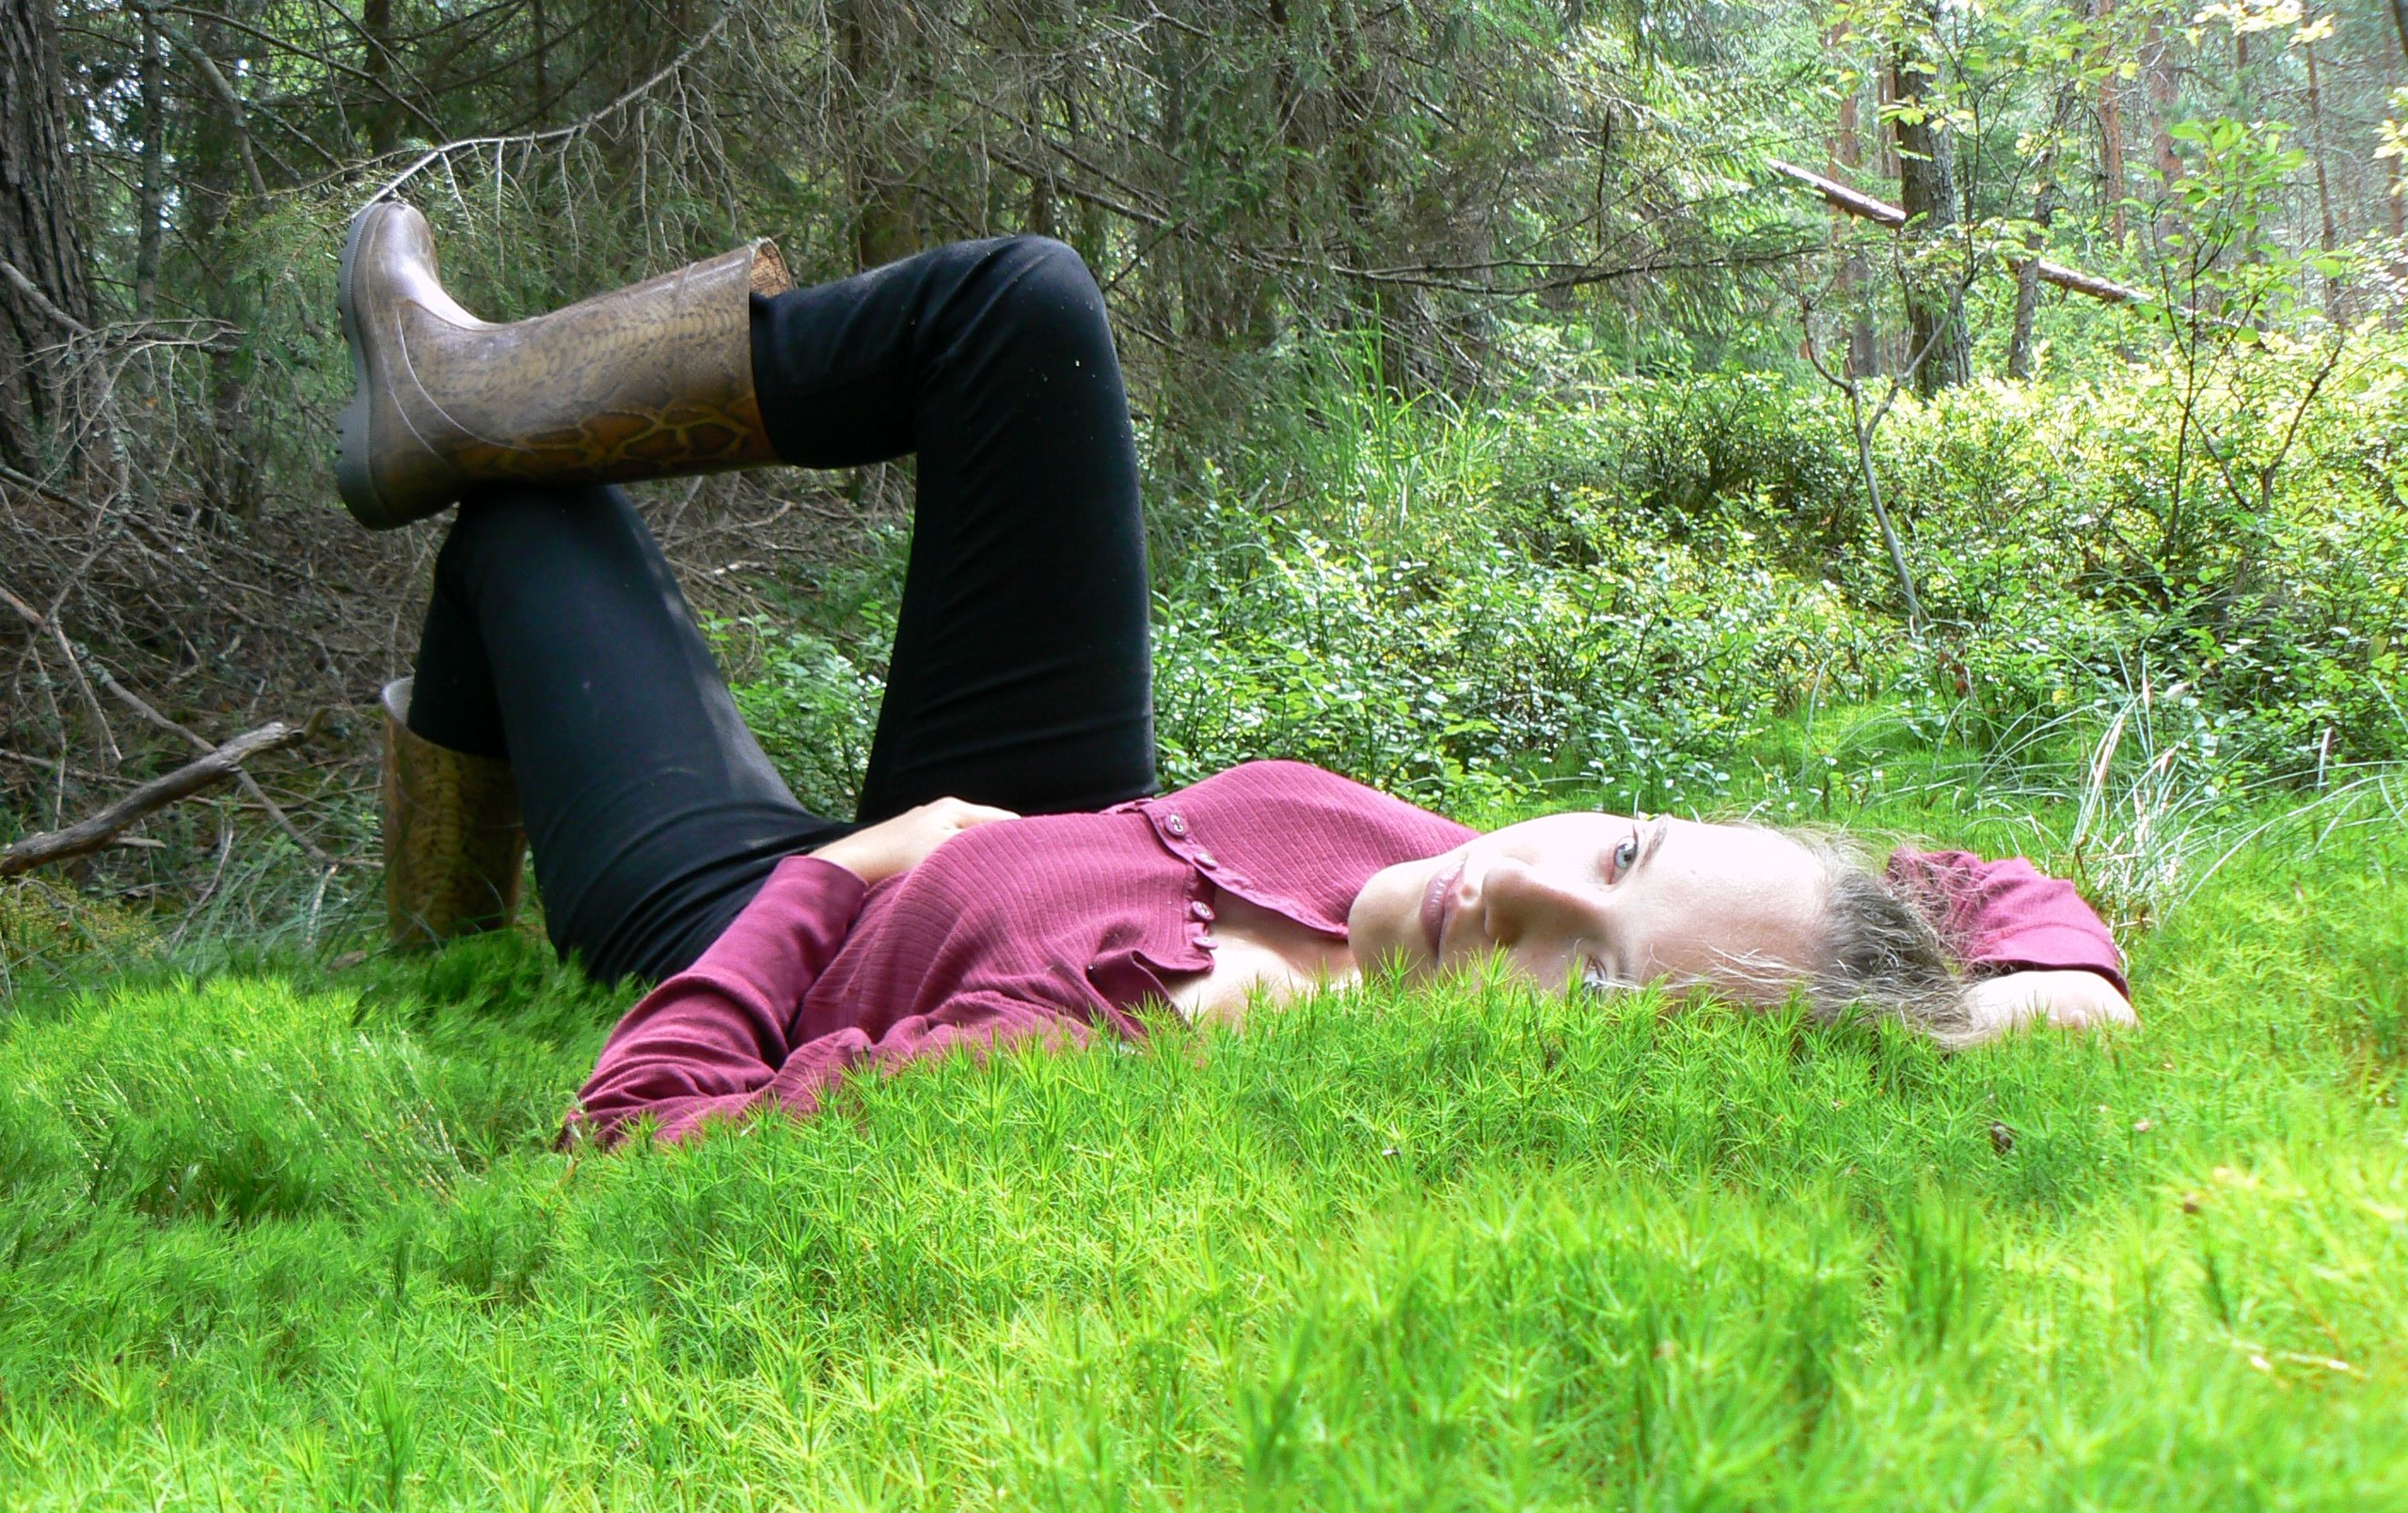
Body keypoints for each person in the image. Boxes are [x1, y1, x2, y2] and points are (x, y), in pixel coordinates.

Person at [335, 203, 2134, 1150]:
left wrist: (848, 874)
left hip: (799, 914)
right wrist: (2006, 1013)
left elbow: (636, 1130)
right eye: (1622, 851)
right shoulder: (1447, 885)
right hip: (1052, 821)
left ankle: (437, 926)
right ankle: (453, 385)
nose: (1518, 887)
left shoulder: (1096, 1052)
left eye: (1584, 984)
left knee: (523, 524)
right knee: (1020, 310)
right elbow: (1959, 890)